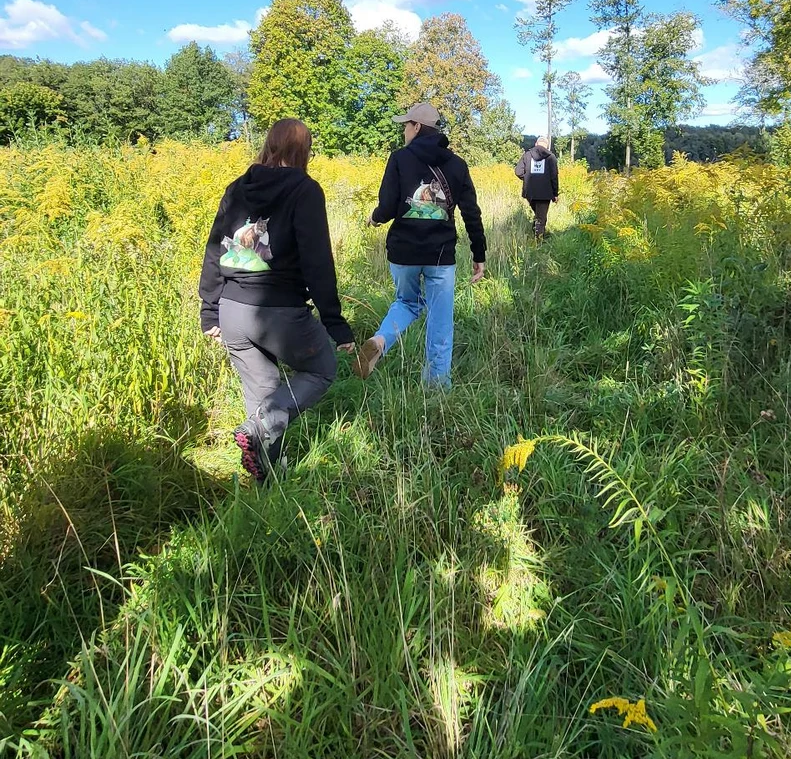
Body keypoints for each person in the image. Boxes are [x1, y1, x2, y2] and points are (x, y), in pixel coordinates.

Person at [199, 117, 355, 480]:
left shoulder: (237, 187)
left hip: (232, 311)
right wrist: (335, 323)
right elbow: (317, 260)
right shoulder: (305, 190)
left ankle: (269, 481)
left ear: (269, 146)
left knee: (265, 391)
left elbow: (214, 251)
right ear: (303, 151)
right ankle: (258, 430)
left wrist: (210, 312)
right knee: (321, 369)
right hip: (278, 312)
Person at [355, 102, 486, 387]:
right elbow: (471, 213)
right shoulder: (457, 164)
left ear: (416, 127)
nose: (403, 130)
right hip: (440, 256)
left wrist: (375, 219)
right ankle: (437, 387)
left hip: (403, 252)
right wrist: (479, 253)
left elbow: (388, 207)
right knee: (440, 319)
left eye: (405, 125)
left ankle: (380, 340)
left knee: (407, 303)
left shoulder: (399, 159)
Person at [515, 135, 559, 239]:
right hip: (545, 192)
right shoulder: (551, 157)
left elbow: (518, 171)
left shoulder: (527, 155)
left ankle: (535, 234)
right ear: (547, 146)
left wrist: (527, 179)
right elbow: (554, 177)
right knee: (541, 217)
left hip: (530, 192)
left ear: (536, 144)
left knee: (538, 215)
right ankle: (538, 242)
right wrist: (555, 194)